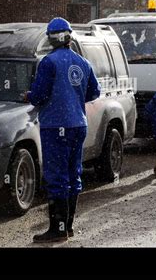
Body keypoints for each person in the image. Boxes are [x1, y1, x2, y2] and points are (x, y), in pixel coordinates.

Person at [26, 17, 101, 243]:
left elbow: (39, 96)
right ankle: (67, 227)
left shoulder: (48, 63)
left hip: (55, 125)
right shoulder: (83, 62)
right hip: (78, 124)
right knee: (73, 174)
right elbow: (94, 93)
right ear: (70, 37)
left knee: (56, 176)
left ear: (50, 38)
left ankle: (57, 230)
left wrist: (28, 96)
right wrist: (74, 97)